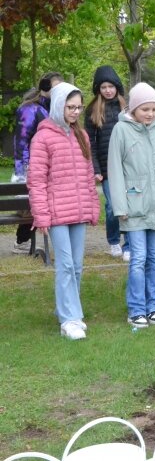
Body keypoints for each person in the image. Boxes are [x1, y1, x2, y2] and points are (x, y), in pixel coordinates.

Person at [27, 82, 100, 340]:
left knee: (77, 266)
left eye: (79, 107)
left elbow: (88, 174)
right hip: (57, 212)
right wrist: (42, 215)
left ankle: (69, 311)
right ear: (58, 105)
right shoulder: (43, 137)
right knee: (66, 265)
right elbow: (36, 180)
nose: (75, 111)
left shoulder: (82, 135)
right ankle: (69, 319)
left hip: (79, 211)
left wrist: (92, 206)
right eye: (70, 107)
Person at [108, 82, 155, 328]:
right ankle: (136, 309)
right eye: (145, 109)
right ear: (133, 108)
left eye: (153, 109)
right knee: (138, 257)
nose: (150, 114)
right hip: (133, 205)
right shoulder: (121, 130)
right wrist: (119, 206)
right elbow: (115, 170)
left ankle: (153, 307)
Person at [12, 71, 62, 254]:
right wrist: (24, 169)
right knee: (32, 203)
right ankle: (22, 241)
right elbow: (21, 141)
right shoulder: (30, 109)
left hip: (50, 164)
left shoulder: (54, 108)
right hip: (32, 165)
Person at [84, 65, 129, 260]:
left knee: (129, 206)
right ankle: (113, 241)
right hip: (107, 168)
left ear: (117, 87)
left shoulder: (126, 108)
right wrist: (96, 167)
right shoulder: (93, 110)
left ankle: (129, 244)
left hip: (128, 166)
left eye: (111, 86)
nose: (108, 90)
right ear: (98, 89)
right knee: (112, 207)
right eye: (104, 87)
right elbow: (90, 143)